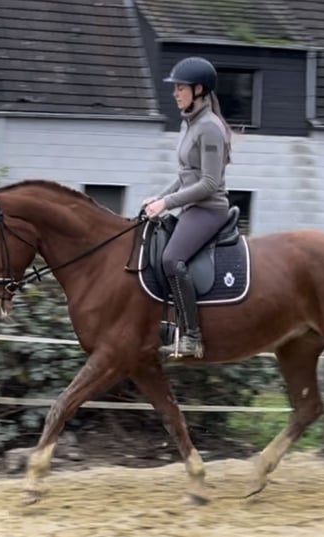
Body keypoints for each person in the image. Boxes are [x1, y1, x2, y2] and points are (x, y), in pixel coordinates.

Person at [142, 56, 233, 359]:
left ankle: (192, 335)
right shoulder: (190, 124)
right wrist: (158, 199)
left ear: (198, 89)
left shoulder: (209, 128)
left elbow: (208, 183)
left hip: (209, 209)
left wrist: (167, 203)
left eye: (180, 88)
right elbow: (184, 177)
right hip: (192, 207)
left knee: (171, 258)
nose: (175, 93)